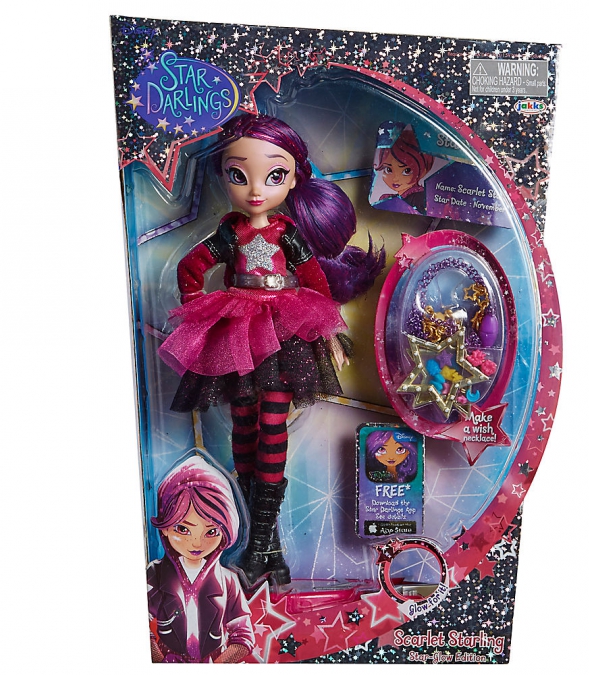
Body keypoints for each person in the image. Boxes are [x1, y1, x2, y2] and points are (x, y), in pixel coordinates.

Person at [158, 114, 384, 585]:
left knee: (273, 422)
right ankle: (265, 542)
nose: (257, 190)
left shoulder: (287, 233)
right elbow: (190, 269)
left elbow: (316, 282)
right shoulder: (229, 234)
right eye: (239, 175)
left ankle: (261, 538)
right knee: (244, 422)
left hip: (283, 332)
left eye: (275, 175)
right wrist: (199, 315)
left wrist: (328, 331)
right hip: (237, 332)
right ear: (223, 176)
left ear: (294, 177)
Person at [147, 455, 254, 663]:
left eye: (211, 531)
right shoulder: (156, 574)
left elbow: (243, 635)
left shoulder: (228, 580)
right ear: (165, 528)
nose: (196, 543)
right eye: (182, 529)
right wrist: (160, 661)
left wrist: (219, 664)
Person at [374, 126, 434, 214]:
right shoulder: (388, 199)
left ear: (423, 171)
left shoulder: (420, 198)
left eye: (407, 171)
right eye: (388, 170)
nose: (395, 178)